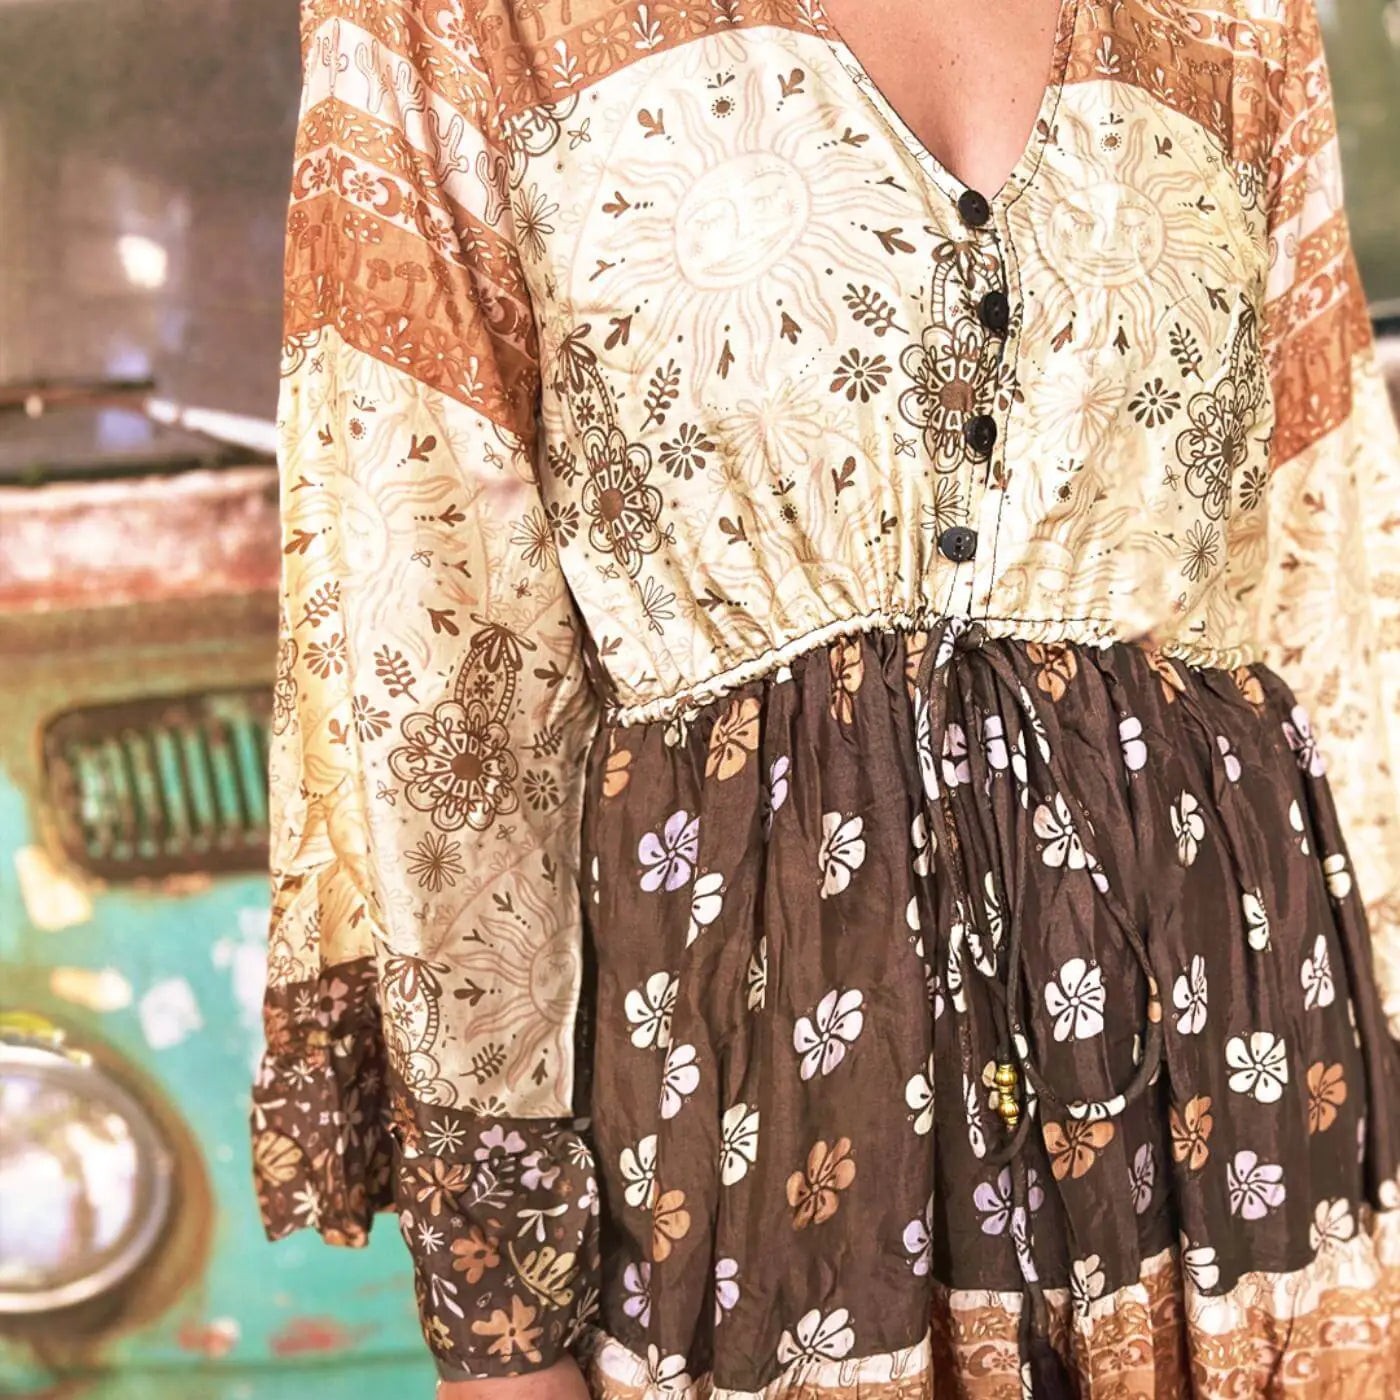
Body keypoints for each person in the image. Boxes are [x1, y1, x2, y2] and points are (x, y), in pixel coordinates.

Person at [250, 0, 1400, 1394]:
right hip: (769, 1129)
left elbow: (1330, 567)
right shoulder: (457, 24)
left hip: (1238, 1102)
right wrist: (504, 1319)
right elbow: (429, 676)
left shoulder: (1242, 21)